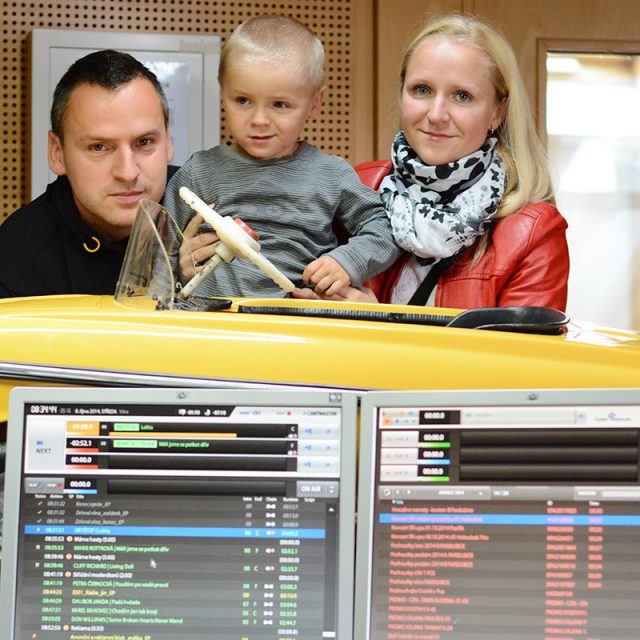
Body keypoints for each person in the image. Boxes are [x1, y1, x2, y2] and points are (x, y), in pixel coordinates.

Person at [295, 14, 569, 311]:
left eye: (462, 96)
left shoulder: (533, 232)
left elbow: (519, 345)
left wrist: (378, 323)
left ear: (497, 112)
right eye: (422, 90)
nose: (436, 114)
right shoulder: (359, 186)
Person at [164, 14, 401, 298]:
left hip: (294, 320)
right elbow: (155, 258)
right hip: (209, 320)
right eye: (242, 100)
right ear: (223, 91)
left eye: (280, 104)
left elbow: (385, 228)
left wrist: (346, 261)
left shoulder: (331, 174)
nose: (259, 120)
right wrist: (179, 272)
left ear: (314, 104)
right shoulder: (197, 173)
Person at [0, 49, 174, 298]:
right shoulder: (14, 262)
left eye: (144, 142)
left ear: (168, 142)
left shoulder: (214, 207)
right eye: (98, 147)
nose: (128, 173)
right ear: (58, 153)